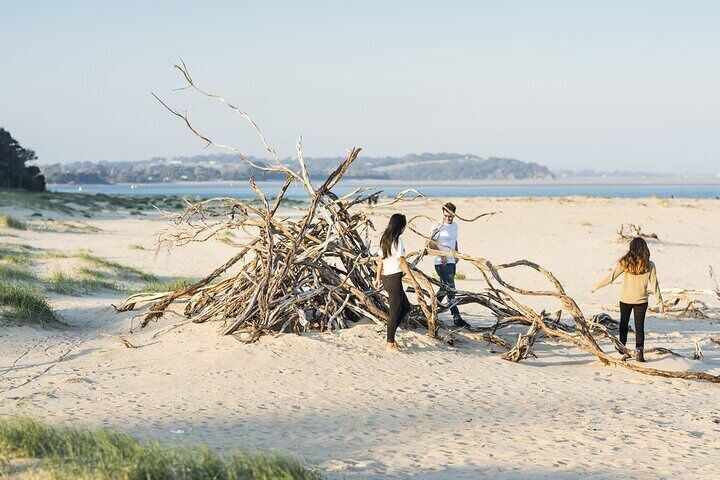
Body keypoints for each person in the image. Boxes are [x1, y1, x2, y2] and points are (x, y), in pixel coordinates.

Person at [590, 237, 664, 362]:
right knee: (639, 326)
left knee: (624, 323)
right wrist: (660, 302)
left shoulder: (625, 262)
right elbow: (654, 284)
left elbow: (611, 277)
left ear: (631, 249)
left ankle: (621, 346)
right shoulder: (649, 264)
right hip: (641, 300)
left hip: (626, 299)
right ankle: (640, 350)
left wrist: (596, 286)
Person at [375, 213, 421, 354]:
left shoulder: (385, 238)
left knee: (406, 307)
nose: (404, 228)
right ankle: (390, 344)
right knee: (394, 313)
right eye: (404, 226)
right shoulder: (397, 240)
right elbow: (401, 261)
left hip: (387, 278)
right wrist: (413, 280)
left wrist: (378, 277)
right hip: (393, 278)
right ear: (400, 226)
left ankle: (391, 334)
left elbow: (380, 260)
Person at [428, 202, 470, 328]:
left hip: (452, 261)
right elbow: (429, 242)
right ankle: (456, 317)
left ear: (454, 215)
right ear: (443, 213)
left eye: (450, 216)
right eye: (445, 215)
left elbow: (454, 240)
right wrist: (441, 255)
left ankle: (430, 310)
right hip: (441, 262)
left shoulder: (455, 225)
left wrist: (456, 253)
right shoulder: (437, 225)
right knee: (451, 288)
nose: (447, 218)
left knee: (444, 288)